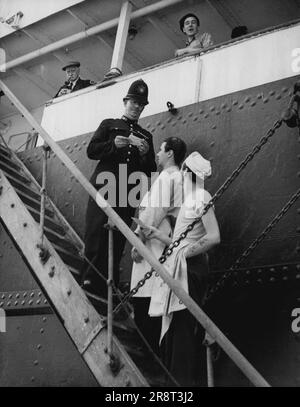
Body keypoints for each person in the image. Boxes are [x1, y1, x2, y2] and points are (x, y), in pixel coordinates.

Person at [145, 152, 220, 386]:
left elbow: (214, 237)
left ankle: (181, 386)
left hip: (189, 270)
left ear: (187, 173)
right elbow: (184, 241)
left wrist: (184, 254)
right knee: (177, 333)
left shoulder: (200, 197)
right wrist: (162, 237)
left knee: (183, 333)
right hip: (184, 268)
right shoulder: (191, 199)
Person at [81, 79, 157, 304]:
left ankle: (110, 281)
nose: (137, 107)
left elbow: (150, 168)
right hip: (105, 184)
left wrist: (144, 154)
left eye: (141, 105)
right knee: (96, 229)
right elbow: (92, 150)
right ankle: (89, 277)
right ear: (126, 101)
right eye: (134, 102)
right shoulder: (109, 124)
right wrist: (114, 145)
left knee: (119, 234)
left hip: (128, 187)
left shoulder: (147, 136)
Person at [130, 137, 187, 353]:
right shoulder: (180, 178)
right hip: (166, 240)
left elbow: (152, 213)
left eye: (161, 150)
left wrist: (138, 242)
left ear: (170, 153)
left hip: (153, 245)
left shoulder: (166, 178)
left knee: (145, 309)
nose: (157, 154)